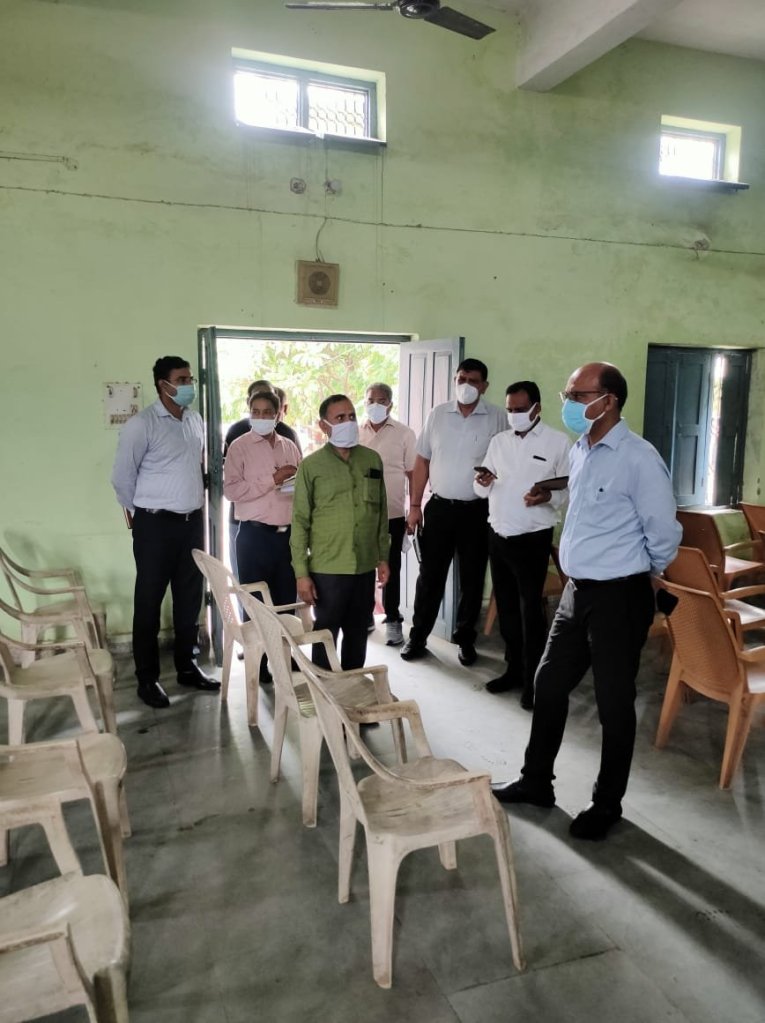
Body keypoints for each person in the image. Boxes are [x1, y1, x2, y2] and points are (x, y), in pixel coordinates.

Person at [492, 362, 682, 841]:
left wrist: (644, 572)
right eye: (568, 394)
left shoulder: (639, 458)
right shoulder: (580, 451)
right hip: (577, 592)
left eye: (578, 395)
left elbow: (664, 532)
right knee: (549, 684)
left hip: (619, 596)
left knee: (613, 701)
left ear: (608, 400)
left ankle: (606, 803)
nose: (569, 403)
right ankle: (537, 781)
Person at [111, 355, 220, 709]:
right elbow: (122, 478)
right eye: (182, 379)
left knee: (189, 599)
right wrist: (143, 514)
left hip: (191, 524)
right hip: (155, 526)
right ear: (163, 384)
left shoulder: (194, 420)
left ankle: (187, 667)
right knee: (149, 600)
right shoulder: (142, 425)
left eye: (190, 379)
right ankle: (147, 679)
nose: (189, 385)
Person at [400, 358, 507, 666]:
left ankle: (465, 639)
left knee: (472, 580)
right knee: (430, 577)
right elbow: (422, 461)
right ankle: (418, 636)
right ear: (454, 380)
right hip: (440, 509)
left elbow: (506, 463)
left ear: (484, 386)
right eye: (461, 379)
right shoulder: (438, 414)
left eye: (473, 381)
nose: (466, 385)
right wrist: (415, 506)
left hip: (477, 511)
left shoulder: (498, 418)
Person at [475, 380, 570, 708]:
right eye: (510, 409)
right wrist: (482, 481)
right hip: (498, 534)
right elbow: (481, 488)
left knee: (531, 611)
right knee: (507, 609)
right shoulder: (499, 442)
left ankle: (534, 681)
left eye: (520, 409)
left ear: (537, 408)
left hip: (532, 538)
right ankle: (513, 670)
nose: (514, 415)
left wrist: (547, 496)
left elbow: (567, 489)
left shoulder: (558, 442)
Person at [290, 394, 390, 671]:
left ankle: (353, 686)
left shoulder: (371, 459)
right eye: (340, 418)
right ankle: (325, 690)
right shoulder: (311, 466)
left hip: (363, 566)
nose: (348, 422)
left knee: (358, 632)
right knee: (326, 634)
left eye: (352, 416)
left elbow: (380, 513)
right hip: (328, 567)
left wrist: (383, 557)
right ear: (324, 426)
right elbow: (300, 522)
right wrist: (301, 573)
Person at [223, 389, 301, 606]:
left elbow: (302, 486)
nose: (261, 417)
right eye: (255, 412)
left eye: (267, 412)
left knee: (286, 605)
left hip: (287, 538)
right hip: (254, 537)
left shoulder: (289, 446)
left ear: (277, 415)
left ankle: (284, 632)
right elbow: (231, 490)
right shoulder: (239, 447)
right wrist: (273, 479)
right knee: (256, 607)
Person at [359, 382, 417, 646]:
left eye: (381, 401)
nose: (375, 405)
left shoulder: (404, 433)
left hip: (392, 513)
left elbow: (413, 473)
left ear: (390, 404)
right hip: (361, 514)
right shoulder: (355, 432)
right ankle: (365, 615)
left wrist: (414, 508)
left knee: (391, 567)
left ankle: (393, 619)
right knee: (362, 566)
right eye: (371, 400)